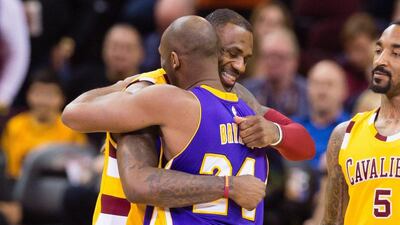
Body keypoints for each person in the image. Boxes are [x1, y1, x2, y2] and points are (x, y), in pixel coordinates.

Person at [63, 9, 315, 225]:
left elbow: (305, 146)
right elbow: (138, 182)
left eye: (246, 58)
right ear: (207, 45)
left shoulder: (240, 98)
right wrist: (124, 85)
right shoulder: (151, 90)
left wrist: (275, 133)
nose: (240, 66)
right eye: (232, 53)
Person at [321, 22, 400, 224]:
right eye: (378, 50)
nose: (381, 60)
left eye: (396, 54)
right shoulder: (344, 135)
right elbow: (332, 221)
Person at [1, 68, 87, 180]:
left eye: (50, 94)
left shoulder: (72, 127)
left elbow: (82, 166)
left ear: (62, 98)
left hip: (59, 188)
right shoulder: (15, 125)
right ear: (28, 95)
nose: (43, 101)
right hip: (18, 186)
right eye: (38, 93)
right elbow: (10, 169)